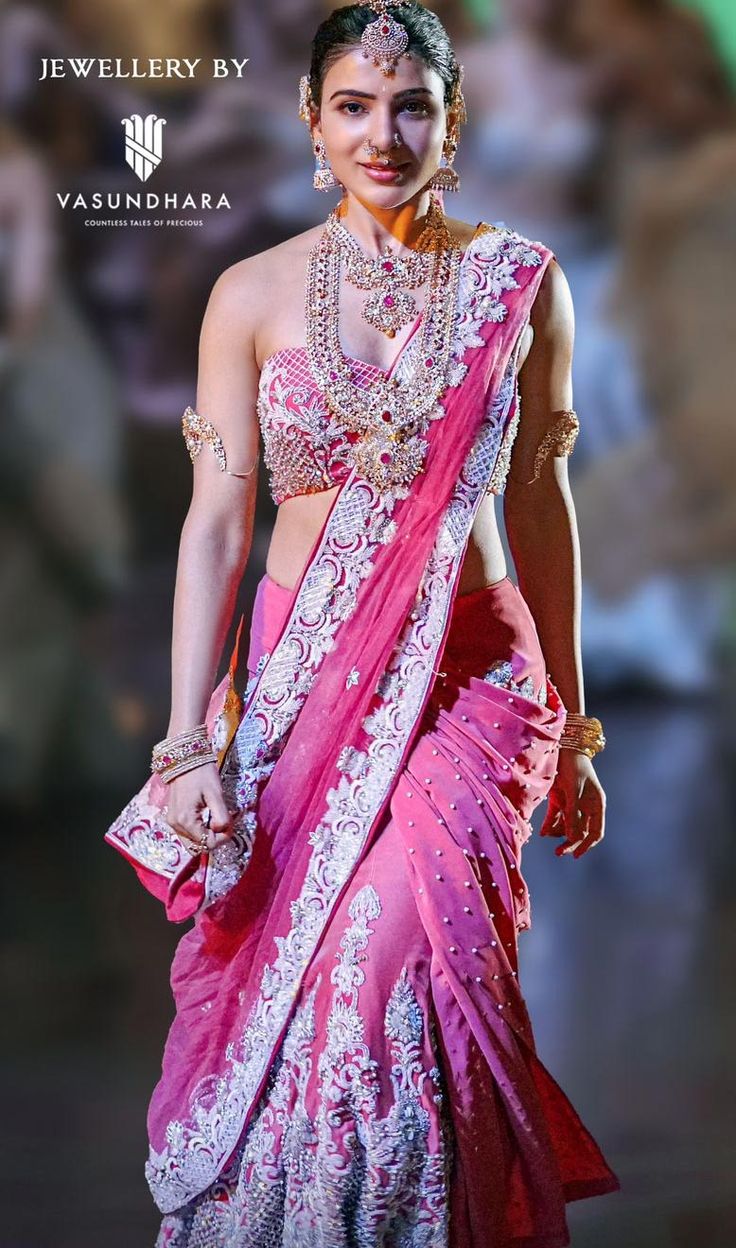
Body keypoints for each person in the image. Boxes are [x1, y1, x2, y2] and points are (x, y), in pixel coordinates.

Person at [105, 3, 621, 1243]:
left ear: (452, 121)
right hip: (299, 684)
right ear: (311, 118)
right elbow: (216, 529)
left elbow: (540, 507)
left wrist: (577, 721)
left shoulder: (517, 283)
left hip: (473, 683)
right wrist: (186, 741)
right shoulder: (252, 293)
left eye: (410, 107)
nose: (381, 134)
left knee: (409, 979)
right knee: (309, 996)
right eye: (353, 105)